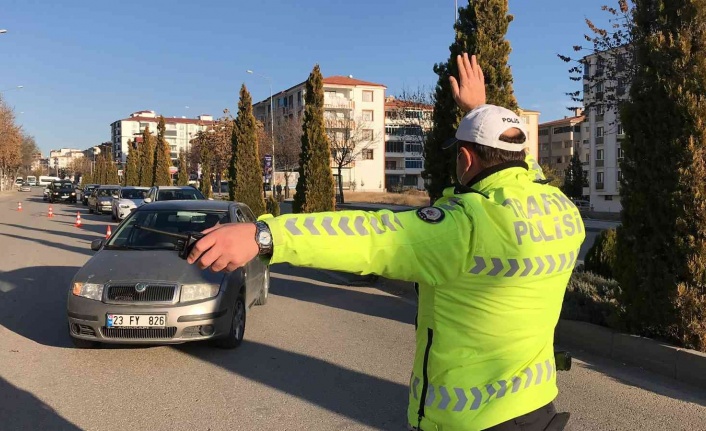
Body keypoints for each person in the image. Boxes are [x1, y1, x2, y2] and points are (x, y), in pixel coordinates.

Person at [187, 53, 585, 431]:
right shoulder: (562, 211)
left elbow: (371, 235)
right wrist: (478, 111)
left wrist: (265, 235)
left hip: (472, 421)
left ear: (465, 161)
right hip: (537, 408)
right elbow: (517, 165)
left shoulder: (466, 226)